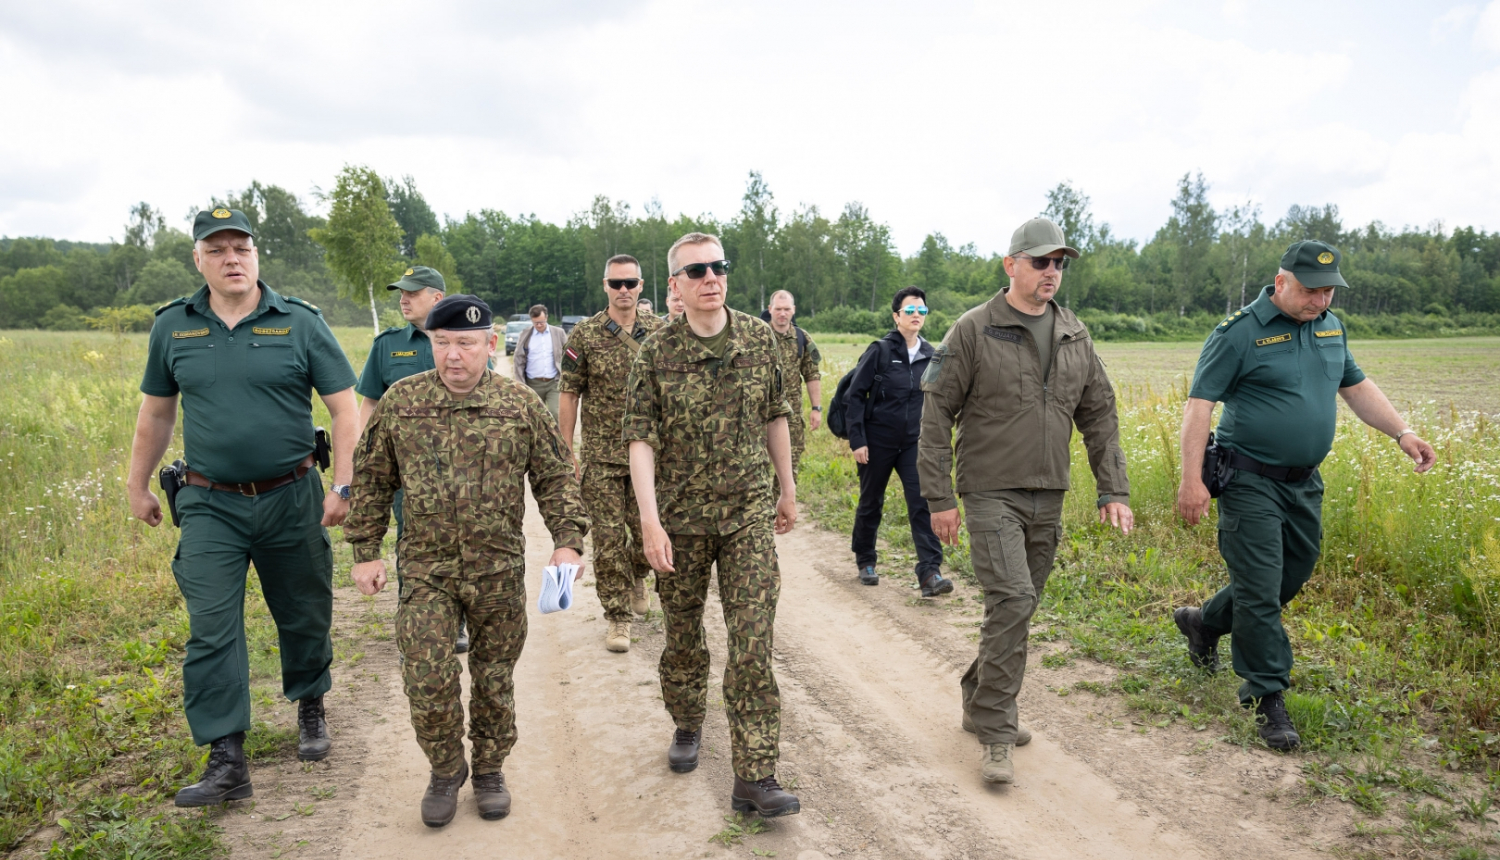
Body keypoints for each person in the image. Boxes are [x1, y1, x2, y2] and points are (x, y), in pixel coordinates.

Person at [126, 208, 358, 806]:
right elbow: (156, 412)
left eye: (242, 248)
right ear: (198, 259)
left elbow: (344, 409)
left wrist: (345, 486)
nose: (232, 258)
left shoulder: (301, 323)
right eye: (218, 248)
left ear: (257, 255)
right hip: (209, 502)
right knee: (211, 627)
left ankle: (310, 704)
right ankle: (226, 753)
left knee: (304, 609)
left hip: (293, 495)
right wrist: (138, 483)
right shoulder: (174, 327)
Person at [1173, 240, 1436, 750]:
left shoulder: (1330, 326)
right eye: (1312, 291)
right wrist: (1191, 480)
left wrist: (1402, 433)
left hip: (1303, 482)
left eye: (1329, 290)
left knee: (1289, 576)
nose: (1322, 300)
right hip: (1248, 480)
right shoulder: (1239, 334)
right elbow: (1199, 407)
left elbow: (1356, 386)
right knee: (1259, 587)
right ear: (1281, 282)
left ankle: (1203, 623)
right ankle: (1266, 696)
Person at [345, 294, 588, 827]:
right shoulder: (402, 402)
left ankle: (489, 770)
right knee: (427, 677)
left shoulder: (519, 405)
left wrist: (568, 539)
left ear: (489, 345)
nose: (453, 355)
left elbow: (554, 476)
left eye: (465, 344)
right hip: (427, 570)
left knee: (494, 678)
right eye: (442, 343)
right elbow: (371, 479)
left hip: (497, 570)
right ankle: (445, 768)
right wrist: (366, 551)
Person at [918, 217, 1133, 785]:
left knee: (1018, 607)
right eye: (1041, 261)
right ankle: (994, 730)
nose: (1052, 272)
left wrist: (1114, 488)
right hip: (988, 492)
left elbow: (1100, 416)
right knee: (1012, 600)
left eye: (1059, 263)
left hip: (1049, 493)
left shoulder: (1075, 335)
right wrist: (939, 497)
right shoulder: (973, 329)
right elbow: (936, 415)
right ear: (1011, 264)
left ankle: (977, 691)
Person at [623, 232, 801, 818]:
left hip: (747, 515)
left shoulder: (758, 338)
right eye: (696, 270)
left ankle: (755, 774)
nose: (710, 278)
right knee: (683, 636)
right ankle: (687, 720)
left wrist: (788, 489)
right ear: (674, 285)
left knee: (752, 642)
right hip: (681, 520)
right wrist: (650, 522)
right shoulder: (655, 351)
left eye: (718, 266)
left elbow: (776, 415)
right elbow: (640, 440)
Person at [355, 266, 468, 654]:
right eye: (400, 293)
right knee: (411, 542)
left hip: (460, 469)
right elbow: (370, 403)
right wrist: (366, 457)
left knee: (461, 541)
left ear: (436, 298)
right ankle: (417, 622)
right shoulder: (388, 345)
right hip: (407, 472)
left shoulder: (463, 339)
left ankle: (457, 620)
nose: (403, 299)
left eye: (412, 293)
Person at [559, 254, 667, 653]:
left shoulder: (661, 332)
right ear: (604, 285)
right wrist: (565, 448)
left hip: (650, 455)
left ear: (641, 286)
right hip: (602, 456)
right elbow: (569, 394)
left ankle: (640, 574)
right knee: (607, 539)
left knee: (643, 530)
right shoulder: (585, 336)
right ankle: (617, 617)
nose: (624, 290)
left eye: (631, 283)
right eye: (616, 283)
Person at [844, 286, 950, 596]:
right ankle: (865, 560)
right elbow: (855, 396)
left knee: (922, 503)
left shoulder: (932, 355)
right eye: (910, 311)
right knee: (871, 501)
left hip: (913, 444)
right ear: (896, 316)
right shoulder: (879, 351)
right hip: (876, 441)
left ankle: (930, 573)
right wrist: (858, 440)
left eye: (922, 311)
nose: (917, 316)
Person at [765, 290, 822, 488]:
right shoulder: (758, 336)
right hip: (760, 413)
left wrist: (816, 408)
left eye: (787, 309)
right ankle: (762, 514)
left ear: (793, 310)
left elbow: (812, 374)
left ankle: (782, 511)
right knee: (758, 466)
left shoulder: (802, 338)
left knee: (790, 466)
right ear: (770, 309)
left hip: (791, 415)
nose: (782, 313)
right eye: (778, 309)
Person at [513, 304, 567, 420]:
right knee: (534, 416)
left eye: (541, 322)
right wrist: (520, 383)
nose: (539, 325)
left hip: (554, 381)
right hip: (533, 384)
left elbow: (569, 355)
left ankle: (555, 438)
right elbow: (518, 359)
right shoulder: (525, 334)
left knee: (555, 413)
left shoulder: (559, 333)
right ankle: (538, 438)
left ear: (546, 317)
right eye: (535, 323)